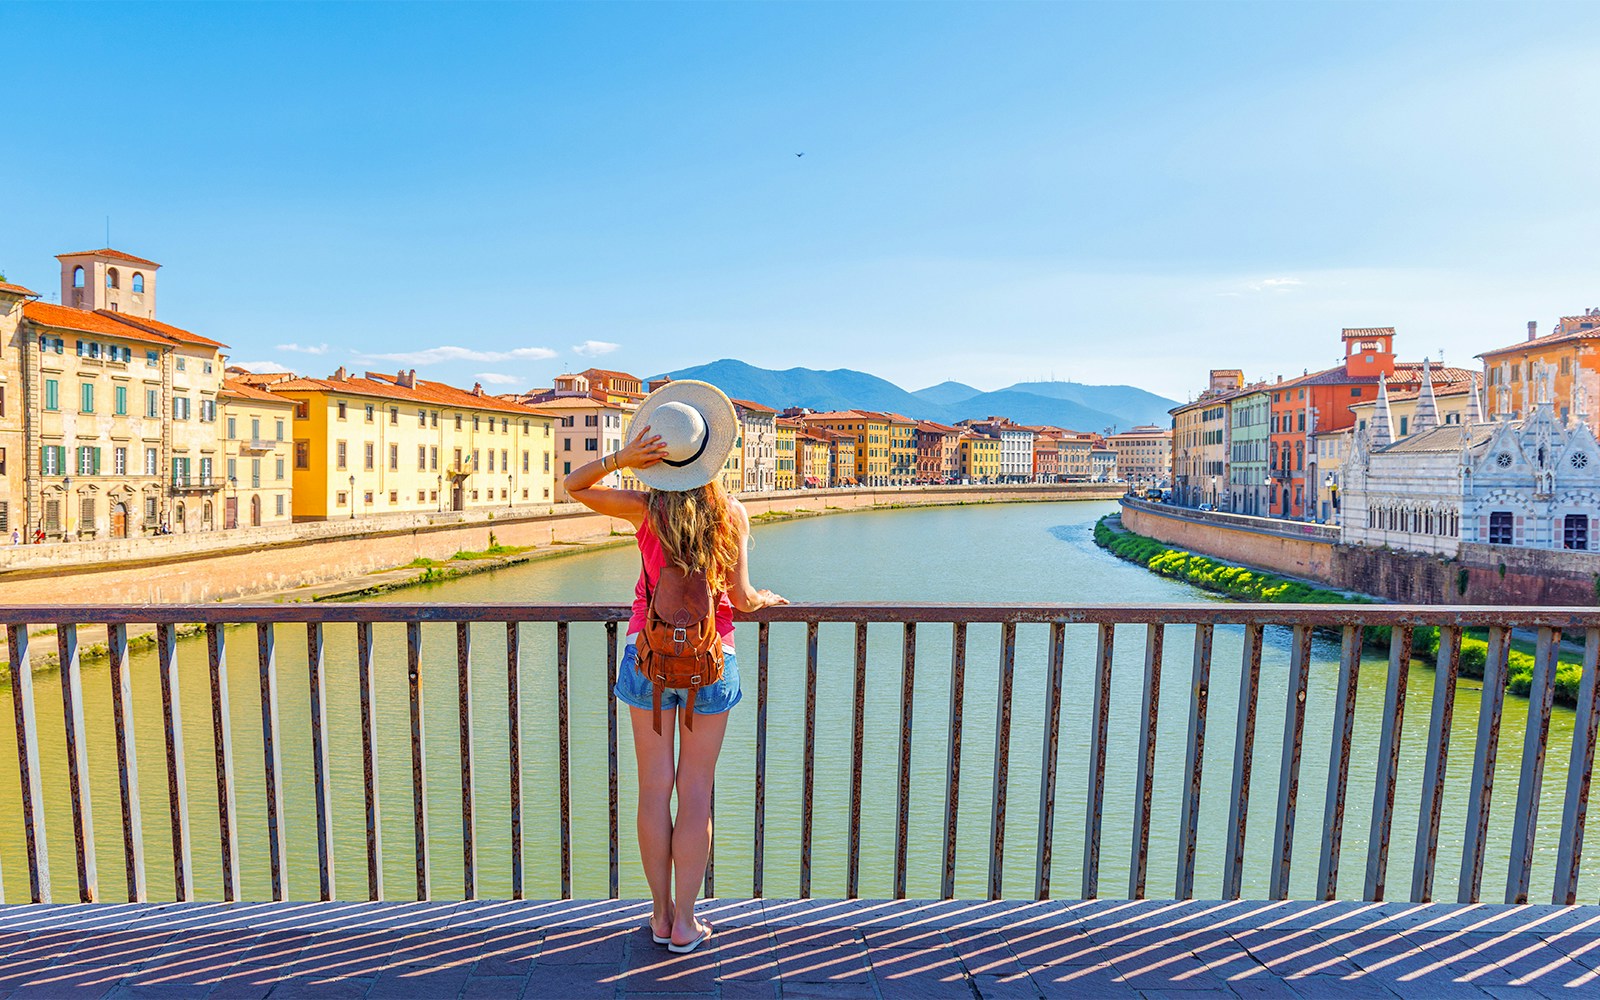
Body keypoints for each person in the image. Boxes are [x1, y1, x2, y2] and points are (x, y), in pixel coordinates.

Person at [565, 380, 786, 955]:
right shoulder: (729, 513)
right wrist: (764, 597)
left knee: (652, 790)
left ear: (661, 458)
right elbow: (738, 600)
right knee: (695, 792)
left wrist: (621, 459)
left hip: (648, 656)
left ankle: (660, 915)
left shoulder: (643, 508)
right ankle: (687, 923)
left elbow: (573, 485)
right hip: (712, 661)